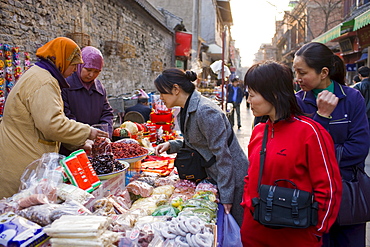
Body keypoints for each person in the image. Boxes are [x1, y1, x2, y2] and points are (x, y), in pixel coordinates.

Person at [241, 61, 342, 247]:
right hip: (254, 233)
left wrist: (317, 231)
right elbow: (250, 177)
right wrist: (248, 205)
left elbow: (328, 188)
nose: (248, 100)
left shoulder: (311, 133)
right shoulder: (259, 131)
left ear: (273, 94)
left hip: (295, 236)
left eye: (252, 95)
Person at [0, 37, 109, 198]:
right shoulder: (44, 81)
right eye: (73, 64)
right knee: (19, 210)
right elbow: (52, 125)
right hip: (22, 158)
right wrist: (88, 132)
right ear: (61, 60)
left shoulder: (41, 75)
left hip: (26, 153)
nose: (74, 69)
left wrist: (80, 142)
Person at [294, 42, 370, 247]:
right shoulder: (297, 103)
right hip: (311, 198)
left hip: (348, 192)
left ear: (324, 72)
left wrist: (319, 158)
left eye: (302, 72)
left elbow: (359, 149)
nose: (297, 78)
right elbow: (298, 152)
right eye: (296, 72)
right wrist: (321, 117)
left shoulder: (352, 98)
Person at [153, 68, 248, 226]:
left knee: (235, 228)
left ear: (176, 89)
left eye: (162, 93)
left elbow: (223, 156)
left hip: (231, 179)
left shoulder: (206, 111)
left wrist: (226, 196)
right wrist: (171, 144)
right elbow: (197, 141)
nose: (160, 97)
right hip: (217, 174)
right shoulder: (187, 108)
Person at [60, 46, 113, 156]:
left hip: (96, 146)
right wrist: (82, 138)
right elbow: (65, 116)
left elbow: (107, 113)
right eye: (88, 70)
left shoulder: (99, 88)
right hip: (70, 148)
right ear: (80, 66)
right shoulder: (65, 85)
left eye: (96, 71)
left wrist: (104, 135)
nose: (91, 75)